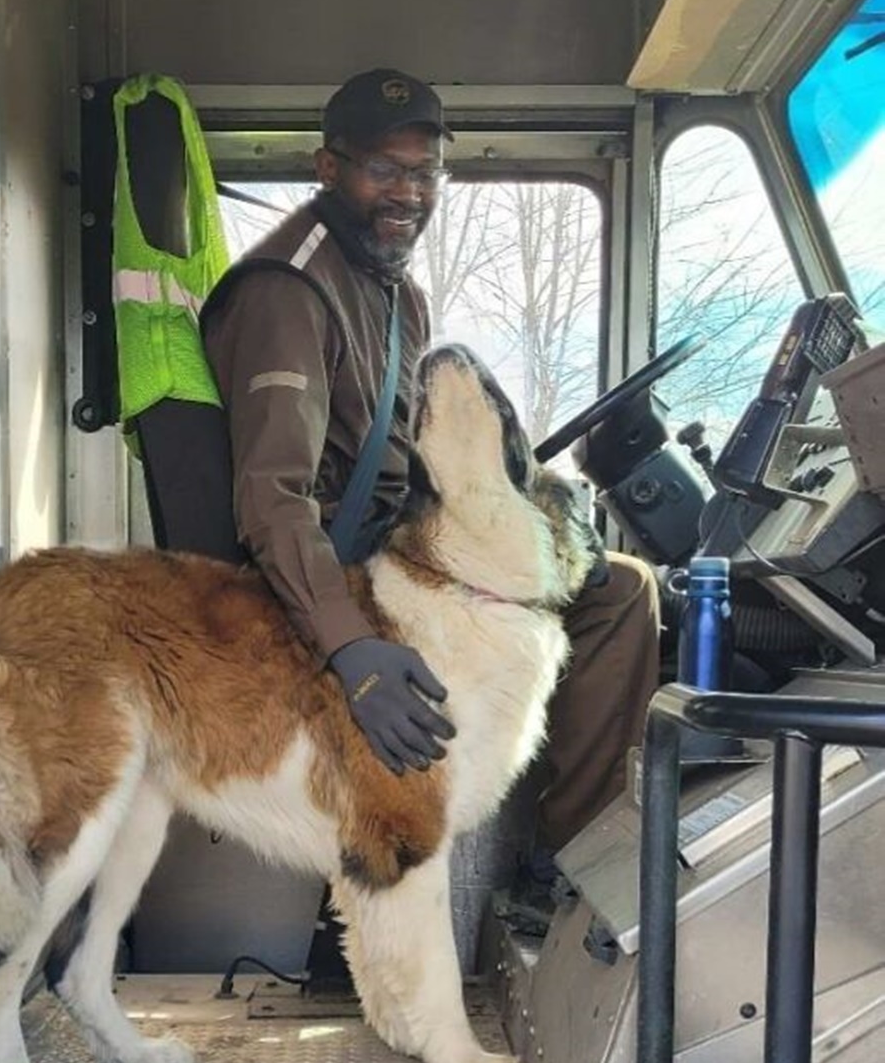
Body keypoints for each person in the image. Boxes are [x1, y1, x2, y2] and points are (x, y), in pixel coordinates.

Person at [200, 67, 661, 858]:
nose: (408, 192)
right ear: (329, 167)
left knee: (609, 583)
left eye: (424, 172)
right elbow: (271, 501)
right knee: (616, 599)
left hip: (397, 550)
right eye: (384, 169)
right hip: (334, 576)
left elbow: (415, 461)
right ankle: (577, 864)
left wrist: (545, 510)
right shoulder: (288, 290)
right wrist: (354, 651)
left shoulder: (393, 290)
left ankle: (582, 864)